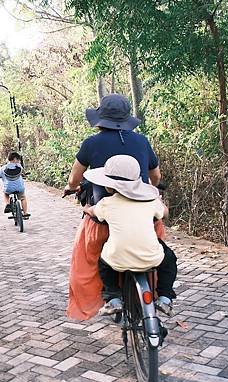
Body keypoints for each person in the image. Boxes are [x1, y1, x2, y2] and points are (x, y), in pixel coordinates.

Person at [64, 93, 165, 320]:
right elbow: (156, 177)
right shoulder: (142, 141)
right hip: (145, 214)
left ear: (101, 119)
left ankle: (109, 297)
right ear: (126, 118)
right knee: (159, 249)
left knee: (89, 257)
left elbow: (74, 180)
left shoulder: (91, 143)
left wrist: (72, 188)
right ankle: (159, 294)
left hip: (103, 217)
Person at [82, 155, 177, 316]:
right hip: (151, 258)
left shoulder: (107, 204)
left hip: (117, 259)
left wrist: (86, 209)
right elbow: (165, 213)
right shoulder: (150, 201)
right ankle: (165, 298)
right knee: (169, 259)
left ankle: (113, 298)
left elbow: (92, 212)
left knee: (103, 263)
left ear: (109, 186)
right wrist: (158, 202)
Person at [0, 152, 29, 218]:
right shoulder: (19, 167)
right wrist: (24, 175)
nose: (18, 161)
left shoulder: (3, 168)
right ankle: (25, 213)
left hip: (8, 188)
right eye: (18, 159)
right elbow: (23, 174)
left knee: (6, 194)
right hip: (19, 188)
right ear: (14, 159)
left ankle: (7, 204)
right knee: (23, 198)